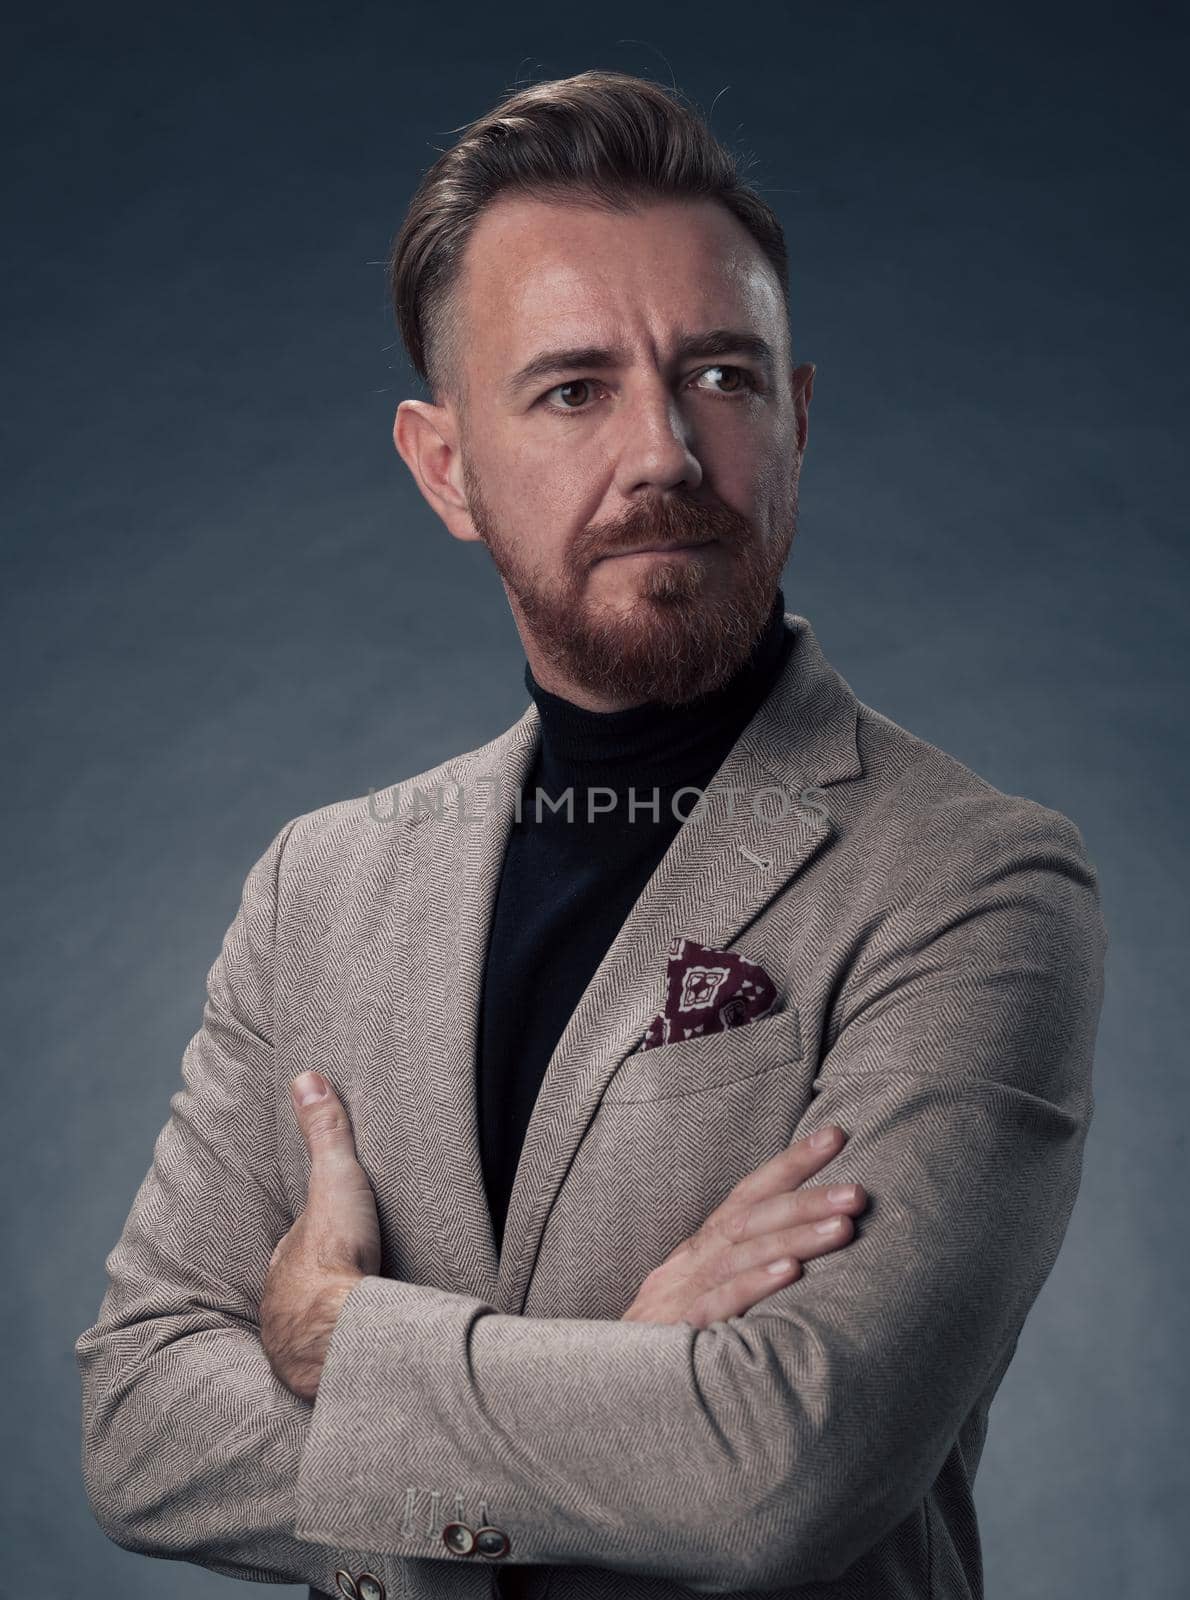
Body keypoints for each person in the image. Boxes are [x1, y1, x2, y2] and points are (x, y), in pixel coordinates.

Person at [75, 69, 1107, 1600]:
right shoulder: (321, 885)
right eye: (572, 390)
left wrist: (340, 1341)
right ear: (446, 469)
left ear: (796, 418)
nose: (667, 457)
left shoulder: (976, 882)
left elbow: (778, 1466)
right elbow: (141, 1424)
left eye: (719, 377)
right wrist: (627, 1376)